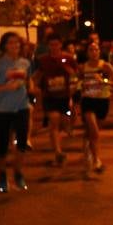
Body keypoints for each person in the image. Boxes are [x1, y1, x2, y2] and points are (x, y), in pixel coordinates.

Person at [0, 32, 33, 192]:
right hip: (3, 110)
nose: (15, 46)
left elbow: (28, 80)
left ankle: (18, 172)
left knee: (22, 144)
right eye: (11, 43)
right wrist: (5, 87)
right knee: (3, 145)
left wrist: (31, 87)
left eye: (17, 43)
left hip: (21, 107)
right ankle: (3, 174)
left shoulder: (25, 63)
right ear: (4, 46)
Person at [77, 40, 113, 177]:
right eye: (91, 50)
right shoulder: (83, 67)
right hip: (88, 101)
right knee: (94, 131)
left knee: (91, 132)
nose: (94, 52)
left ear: (99, 52)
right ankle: (97, 160)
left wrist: (104, 81)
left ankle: (87, 152)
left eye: (96, 50)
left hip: (102, 101)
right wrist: (79, 86)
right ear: (87, 53)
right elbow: (77, 82)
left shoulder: (106, 66)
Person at [32, 35, 75, 166]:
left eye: (56, 44)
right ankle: (58, 152)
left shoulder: (68, 58)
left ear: (60, 45)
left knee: (64, 123)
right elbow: (37, 75)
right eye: (51, 45)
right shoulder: (43, 60)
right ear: (48, 46)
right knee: (54, 121)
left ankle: (59, 143)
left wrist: (69, 71)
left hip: (64, 96)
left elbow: (75, 74)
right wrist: (32, 85)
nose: (54, 47)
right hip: (49, 96)